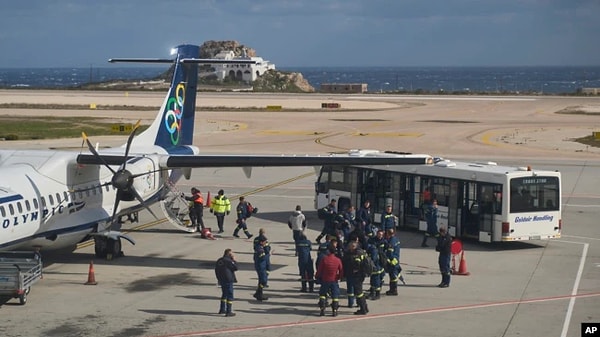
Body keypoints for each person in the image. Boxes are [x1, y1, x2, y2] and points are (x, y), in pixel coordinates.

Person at [315, 243, 344, 317]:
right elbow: (341, 270)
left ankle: (322, 309)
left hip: (325, 280)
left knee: (322, 294)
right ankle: (334, 310)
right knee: (335, 296)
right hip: (334, 280)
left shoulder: (324, 259)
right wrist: (339, 277)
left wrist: (317, 277)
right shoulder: (338, 260)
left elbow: (320, 270)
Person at [343, 241, 370, 315]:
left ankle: (363, 309)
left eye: (352, 246)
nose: (350, 248)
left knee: (359, 293)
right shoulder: (359, 252)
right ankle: (365, 307)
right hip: (358, 275)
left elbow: (356, 265)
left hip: (357, 276)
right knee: (359, 292)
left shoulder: (356, 254)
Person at [215, 248, 238, 317]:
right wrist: (234, 260)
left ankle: (222, 309)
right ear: (229, 254)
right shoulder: (228, 261)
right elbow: (235, 268)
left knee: (224, 294)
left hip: (221, 279)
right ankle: (229, 311)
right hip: (228, 280)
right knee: (230, 295)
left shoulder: (219, 260)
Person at [367, 229, 386, 300]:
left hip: (379, 263)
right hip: (375, 264)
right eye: (379, 234)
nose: (380, 236)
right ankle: (372, 292)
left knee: (377, 280)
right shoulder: (372, 241)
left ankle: (377, 294)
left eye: (381, 235)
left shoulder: (384, 241)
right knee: (373, 279)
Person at [253, 228, 270, 301]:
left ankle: (258, 293)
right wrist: (269, 255)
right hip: (260, 266)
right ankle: (259, 293)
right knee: (262, 280)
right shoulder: (259, 249)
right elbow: (262, 257)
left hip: (262, 265)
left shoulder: (260, 245)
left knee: (262, 280)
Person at [383, 228, 401, 296]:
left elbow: (390, 252)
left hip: (392, 260)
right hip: (396, 259)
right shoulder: (396, 239)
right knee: (394, 274)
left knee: (392, 275)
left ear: (388, 234)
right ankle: (393, 289)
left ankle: (393, 290)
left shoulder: (391, 241)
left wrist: (388, 259)